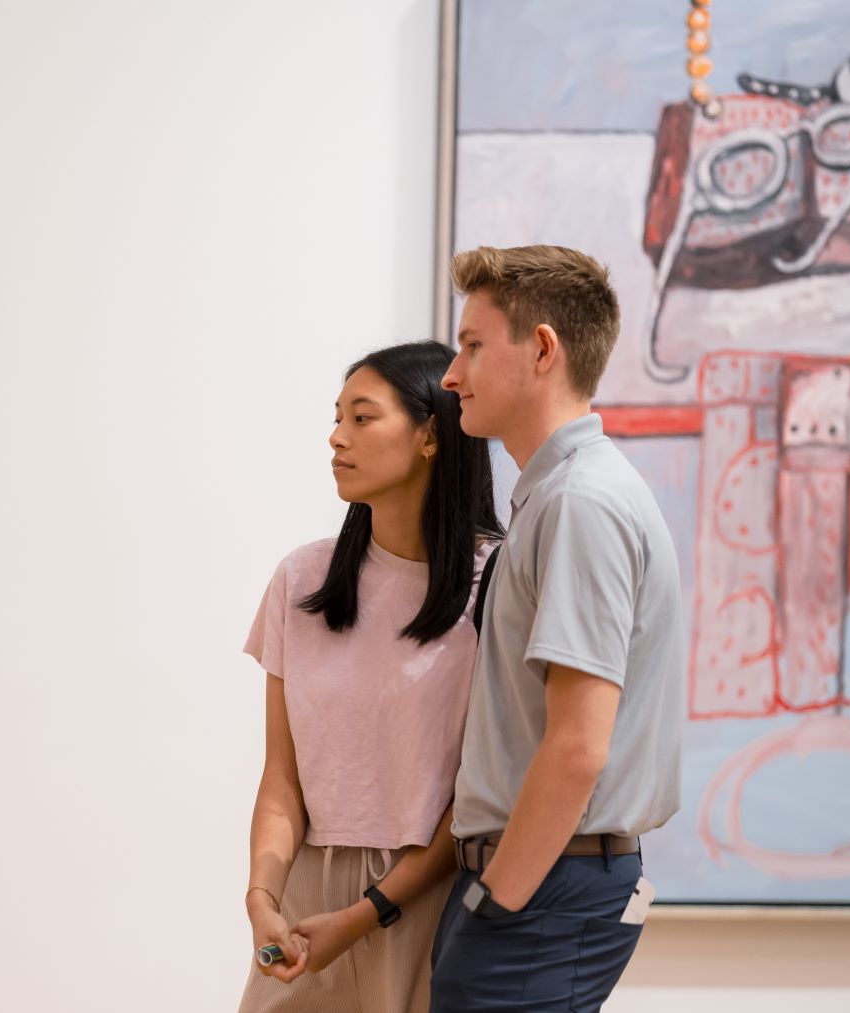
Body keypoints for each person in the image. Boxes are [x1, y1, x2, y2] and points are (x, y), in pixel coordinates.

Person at [429, 245, 687, 1013]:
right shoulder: (562, 497)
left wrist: (498, 900)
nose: (451, 373)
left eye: (472, 345)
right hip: (537, 883)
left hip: (540, 889)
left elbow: (578, 746)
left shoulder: (582, 501)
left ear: (542, 349)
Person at [239, 340, 503, 1013]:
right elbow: (282, 779)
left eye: (362, 418)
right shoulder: (302, 579)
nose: (336, 437)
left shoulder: (495, 584)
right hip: (303, 901)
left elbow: (479, 796)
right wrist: (262, 900)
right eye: (337, 417)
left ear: (429, 436)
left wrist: (367, 911)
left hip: (426, 903)